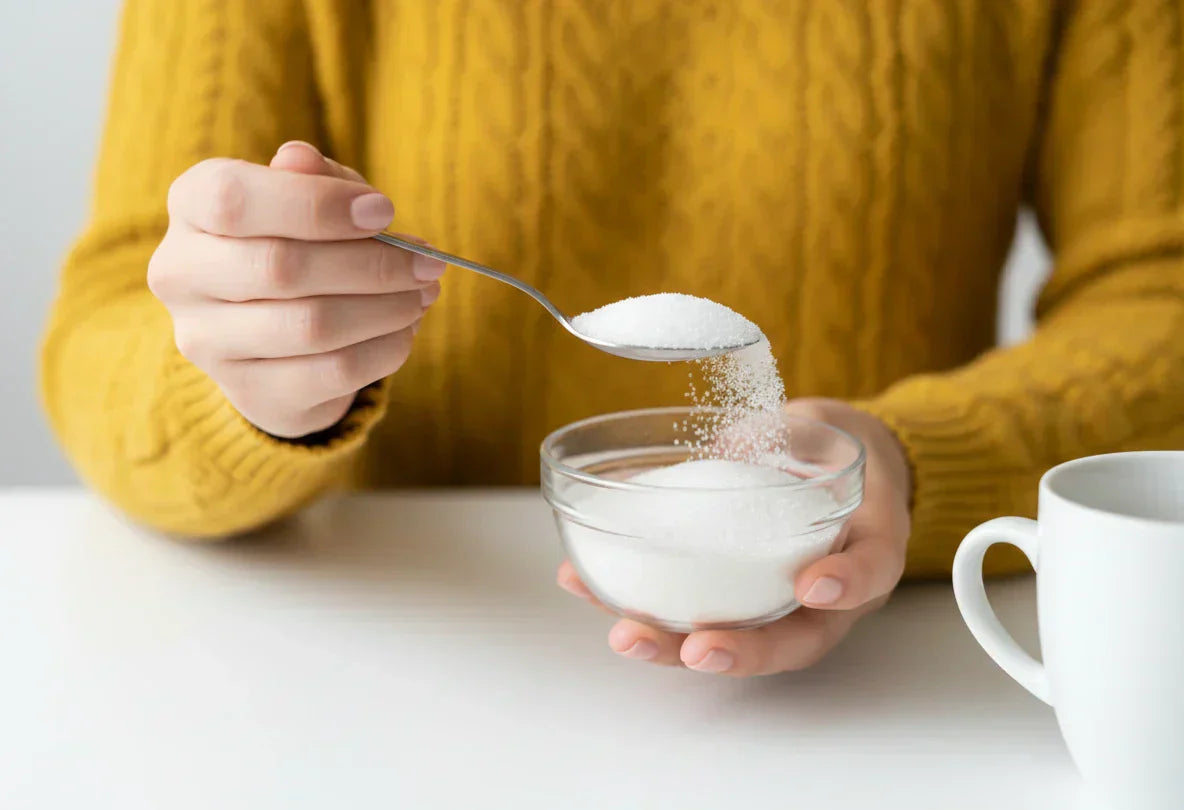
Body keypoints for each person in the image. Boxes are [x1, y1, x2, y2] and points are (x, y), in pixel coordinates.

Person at [42, 1, 1184, 676]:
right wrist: (246, 378)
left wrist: (906, 458)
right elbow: (114, 322)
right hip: (396, 661)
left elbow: (1160, 299)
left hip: (917, 680)